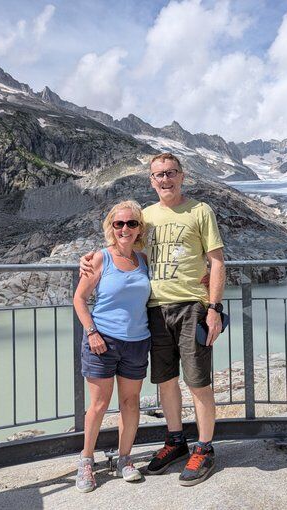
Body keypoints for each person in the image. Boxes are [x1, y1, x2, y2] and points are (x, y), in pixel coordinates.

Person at [81, 153, 226, 486]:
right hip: (155, 310)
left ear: (181, 176)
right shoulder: (144, 216)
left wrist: (214, 308)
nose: (165, 179)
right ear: (151, 180)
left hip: (191, 305)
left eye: (171, 173)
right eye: (159, 174)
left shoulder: (200, 211)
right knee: (165, 380)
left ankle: (205, 448)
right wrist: (89, 259)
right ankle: (176, 440)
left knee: (198, 380)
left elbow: (216, 262)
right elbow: (123, 246)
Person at [72, 200, 151, 493]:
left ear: (139, 228)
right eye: (119, 224)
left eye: (131, 223)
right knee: (99, 405)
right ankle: (86, 460)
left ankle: (124, 458)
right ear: (111, 227)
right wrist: (92, 332)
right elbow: (79, 299)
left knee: (131, 404)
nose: (125, 229)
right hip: (102, 340)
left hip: (137, 342)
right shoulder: (99, 259)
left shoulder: (143, 260)